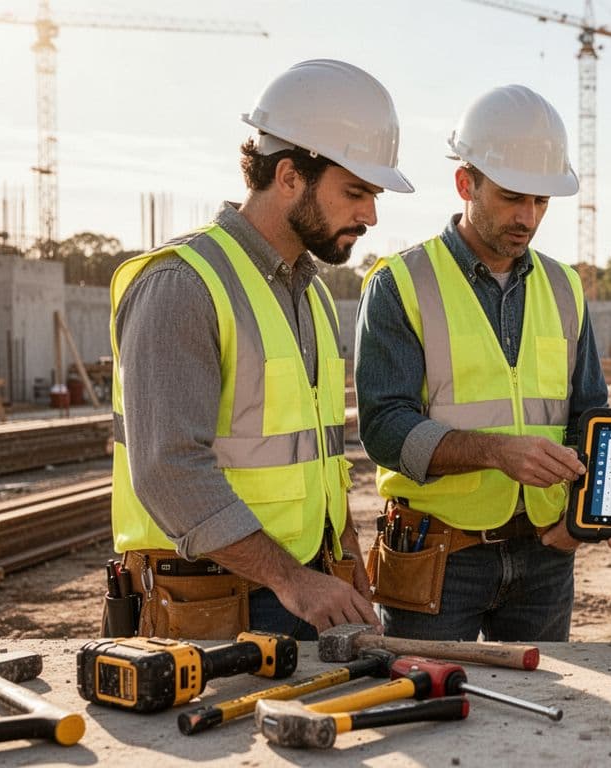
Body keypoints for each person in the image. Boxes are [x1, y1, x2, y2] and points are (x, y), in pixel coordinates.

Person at [111, 59, 413, 639]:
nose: (371, 215)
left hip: (299, 589)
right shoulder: (184, 285)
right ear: (290, 175)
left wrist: (344, 553)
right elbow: (168, 469)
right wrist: (291, 580)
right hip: (208, 606)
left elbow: (319, 459)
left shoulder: (314, 296)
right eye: (356, 192)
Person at [355, 85, 607, 642]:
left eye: (541, 201)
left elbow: (588, 414)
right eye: (513, 197)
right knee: (427, 710)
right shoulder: (401, 284)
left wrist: (580, 519)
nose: (528, 217)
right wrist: (496, 452)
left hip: (543, 556)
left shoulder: (565, 287)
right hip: (437, 554)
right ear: (466, 183)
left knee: (543, 715)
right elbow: (384, 428)